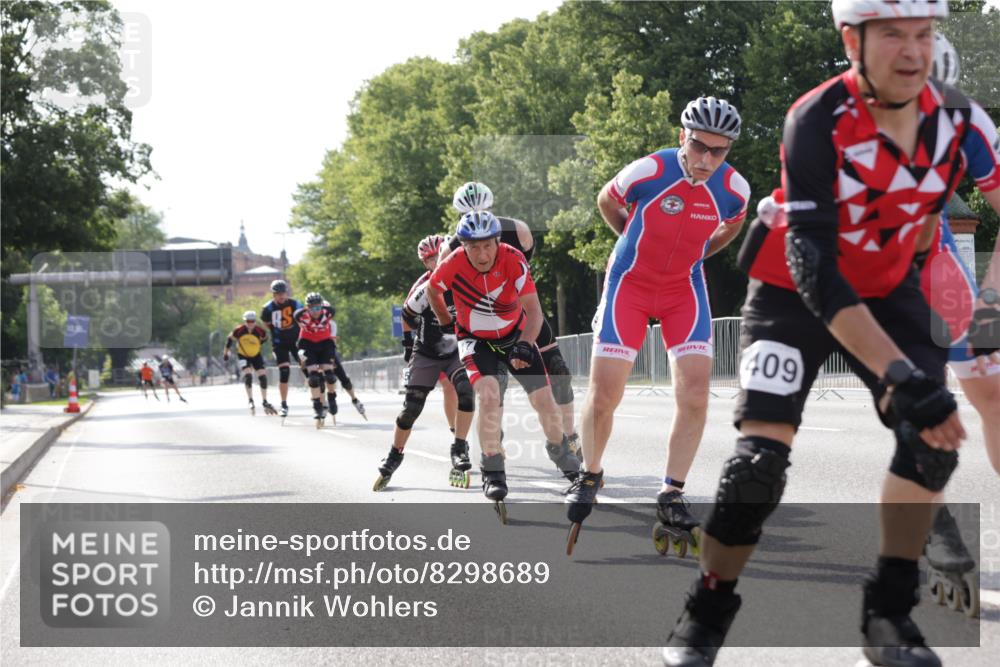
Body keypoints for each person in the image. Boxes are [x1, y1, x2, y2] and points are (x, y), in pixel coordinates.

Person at [664, 3, 990, 665]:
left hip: (892, 289)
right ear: (852, 41)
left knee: (929, 445)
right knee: (757, 467)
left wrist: (987, 308)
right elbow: (816, 268)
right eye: (892, 34)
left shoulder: (962, 120)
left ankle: (888, 614)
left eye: (924, 34)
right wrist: (898, 373)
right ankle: (707, 610)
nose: (912, 51)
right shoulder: (815, 119)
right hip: (795, 288)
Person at [564, 96, 750, 552]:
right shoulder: (649, 170)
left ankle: (671, 493)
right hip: (629, 283)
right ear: (682, 137)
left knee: (696, 394)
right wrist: (629, 237)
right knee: (605, 395)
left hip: (683, 289)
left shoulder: (734, 188)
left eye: (719, 150)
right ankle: (590, 472)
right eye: (699, 145)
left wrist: (698, 254)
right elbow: (606, 200)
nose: (707, 159)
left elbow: (732, 225)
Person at [426, 211, 580, 518]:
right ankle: (492, 467)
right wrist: (445, 321)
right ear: (463, 246)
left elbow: (534, 312)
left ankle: (560, 452)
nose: (482, 255)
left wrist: (525, 343)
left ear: (498, 241)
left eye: (487, 246)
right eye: (474, 247)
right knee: (489, 395)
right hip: (475, 340)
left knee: (544, 402)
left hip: (515, 336)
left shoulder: (513, 258)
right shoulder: (453, 263)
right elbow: (433, 289)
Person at [444, 182, 580, 452]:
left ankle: (570, 437)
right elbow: (446, 295)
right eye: (468, 216)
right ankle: (494, 442)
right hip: (485, 323)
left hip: (522, 313)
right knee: (495, 386)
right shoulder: (451, 250)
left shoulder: (519, 231)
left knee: (559, 371)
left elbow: (525, 273)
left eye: (484, 212)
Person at [374, 234, 477, 491]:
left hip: (456, 349)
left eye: (439, 255)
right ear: (425, 263)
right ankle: (394, 454)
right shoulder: (423, 286)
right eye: (430, 259)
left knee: (465, 391)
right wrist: (408, 345)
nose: (437, 261)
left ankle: (459, 447)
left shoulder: (465, 276)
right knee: (411, 408)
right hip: (427, 351)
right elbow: (406, 315)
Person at [293, 292, 338, 425]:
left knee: (330, 375)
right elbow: (297, 315)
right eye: (312, 309)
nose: (316, 312)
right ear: (307, 308)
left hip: (325, 343)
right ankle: (317, 405)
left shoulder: (328, 313)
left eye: (318, 308)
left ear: (322, 307)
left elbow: (331, 310)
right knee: (313, 377)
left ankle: (331, 397)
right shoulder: (301, 316)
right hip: (307, 343)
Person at [260, 279, 302, 418]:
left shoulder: (296, 304)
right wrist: (278, 331)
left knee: (308, 368)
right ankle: (284, 404)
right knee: (284, 371)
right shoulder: (267, 309)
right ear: (273, 295)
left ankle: (318, 401)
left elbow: (304, 320)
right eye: (278, 294)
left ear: (287, 292)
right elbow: (267, 323)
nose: (281, 296)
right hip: (279, 343)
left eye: (283, 293)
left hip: (296, 341)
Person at [223, 311, 276, 415]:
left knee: (263, 377)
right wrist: (225, 353)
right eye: (248, 321)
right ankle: (250, 399)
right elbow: (229, 339)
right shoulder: (239, 330)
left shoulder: (260, 330)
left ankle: (265, 401)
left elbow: (266, 338)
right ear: (245, 321)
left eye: (252, 321)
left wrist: (259, 343)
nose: (250, 323)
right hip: (243, 355)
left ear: (255, 321)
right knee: (248, 375)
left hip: (256, 355)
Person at [326, 314, 366, 419]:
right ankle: (326, 401)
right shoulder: (308, 323)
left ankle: (354, 399)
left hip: (328, 353)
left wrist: (331, 358)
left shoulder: (331, 324)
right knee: (318, 379)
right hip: (315, 355)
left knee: (343, 378)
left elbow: (332, 342)